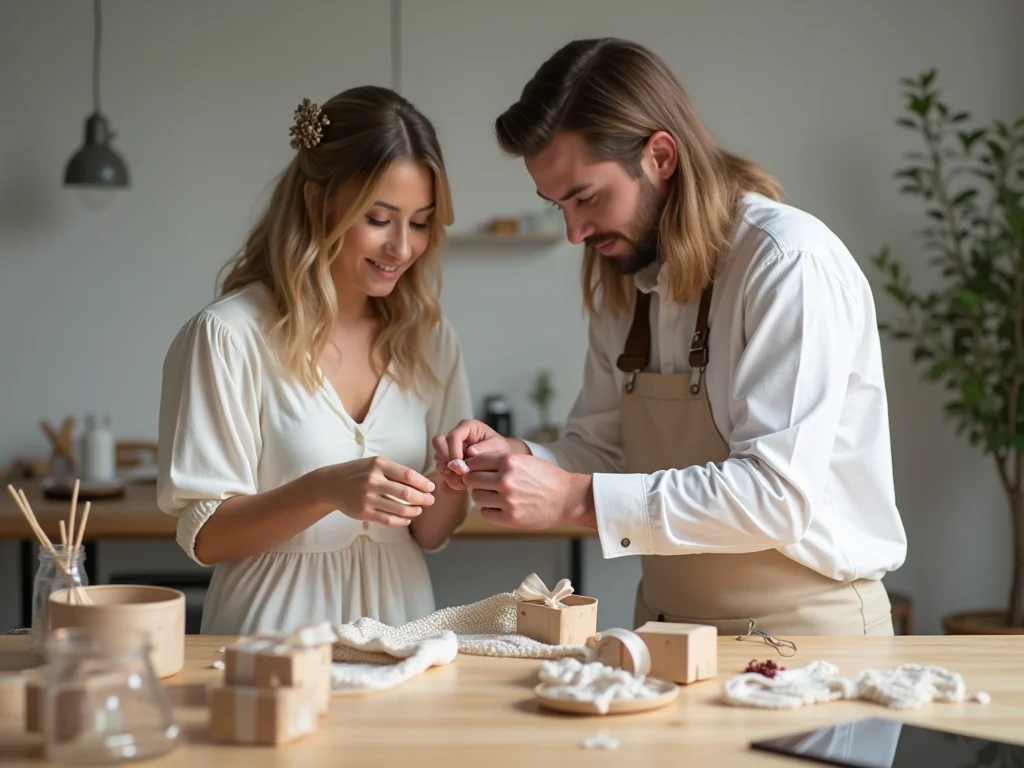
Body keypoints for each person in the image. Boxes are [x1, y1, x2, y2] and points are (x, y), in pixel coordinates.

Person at [434, 39, 907, 636]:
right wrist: (522, 460)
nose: (575, 232)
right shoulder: (626, 277)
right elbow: (605, 449)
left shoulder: (788, 263)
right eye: (557, 205)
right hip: (663, 630)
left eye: (587, 197)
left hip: (805, 636)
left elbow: (774, 496)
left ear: (660, 156)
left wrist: (574, 499)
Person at [157, 86, 472, 636]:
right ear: (316, 201)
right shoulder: (228, 336)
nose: (402, 247)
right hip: (271, 635)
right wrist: (324, 490)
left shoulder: (430, 338)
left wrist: (450, 483)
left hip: (404, 629)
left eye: (420, 222)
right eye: (379, 218)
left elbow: (430, 535)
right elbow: (205, 537)